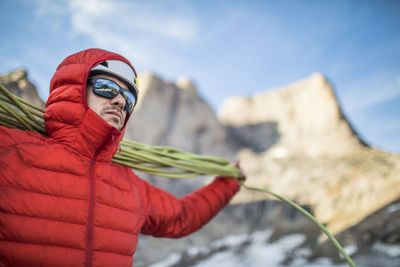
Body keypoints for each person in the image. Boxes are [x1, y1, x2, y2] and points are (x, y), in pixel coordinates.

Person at [0, 48, 244, 267]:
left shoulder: (129, 186)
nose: (119, 101)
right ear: (74, 89)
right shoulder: (10, 150)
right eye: (106, 88)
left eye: (128, 99)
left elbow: (181, 217)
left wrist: (228, 184)